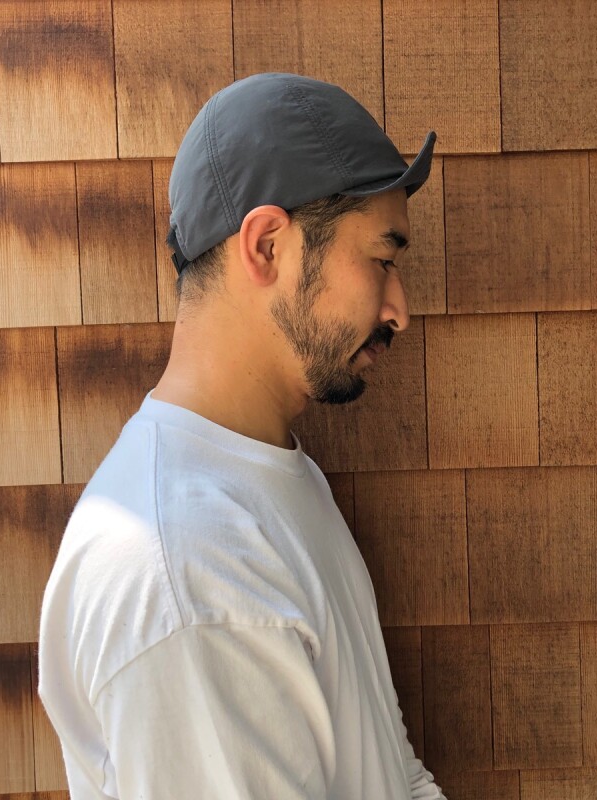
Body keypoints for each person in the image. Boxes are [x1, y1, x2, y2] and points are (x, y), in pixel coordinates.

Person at [38, 73, 446, 799]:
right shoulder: (186, 568)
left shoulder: (269, 477)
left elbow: (386, 766)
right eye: (382, 260)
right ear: (266, 246)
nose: (399, 310)